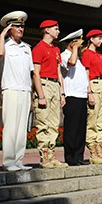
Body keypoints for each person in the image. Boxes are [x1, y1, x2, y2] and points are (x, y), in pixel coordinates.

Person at [0, 11, 34, 172]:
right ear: (9, 28)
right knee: (11, 127)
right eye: (16, 26)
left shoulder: (27, 48)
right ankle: (8, 161)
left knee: (21, 127)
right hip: (11, 89)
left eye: (22, 26)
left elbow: (30, 72)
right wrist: (2, 35)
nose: (20, 29)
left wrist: (31, 92)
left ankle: (18, 159)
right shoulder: (3, 45)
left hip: (25, 90)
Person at [32, 19, 66, 168]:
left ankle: (51, 155)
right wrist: (40, 95)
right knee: (43, 123)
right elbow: (35, 73)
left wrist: (62, 93)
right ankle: (44, 156)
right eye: (55, 28)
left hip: (54, 85)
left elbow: (59, 72)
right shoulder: (39, 48)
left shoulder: (56, 49)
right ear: (46, 30)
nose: (58, 31)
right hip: (44, 84)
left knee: (53, 123)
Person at [60, 29, 89, 166]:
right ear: (72, 43)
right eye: (78, 43)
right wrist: (75, 49)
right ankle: (70, 157)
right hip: (72, 96)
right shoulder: (65, 55)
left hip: (81, 96)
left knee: (80, 128)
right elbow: (70, 63)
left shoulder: (79, 58)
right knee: (71, 128)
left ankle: (79, 156)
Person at [82, 29, 102, 163]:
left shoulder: (100, 54)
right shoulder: (87, 54)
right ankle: (93, 152)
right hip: (94, 84)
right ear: (91, 39)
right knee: (92, 120)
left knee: (101, 121)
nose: (101, 40)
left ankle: (100, 150)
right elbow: (86, 74)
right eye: (98, 38)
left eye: (101, 38)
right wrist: (89, 92)